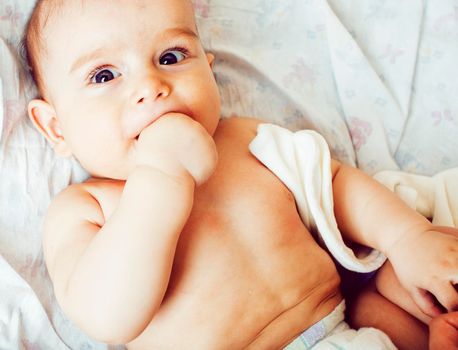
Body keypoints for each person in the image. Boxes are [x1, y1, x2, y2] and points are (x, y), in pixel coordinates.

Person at [23, 0, 458, 348]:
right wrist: (159, 180)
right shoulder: (84, 209)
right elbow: (107, 317)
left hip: (345, 325)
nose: (150, 86)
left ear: (209, 70)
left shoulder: (243, 139)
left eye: (171, 56)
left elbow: (333, 183)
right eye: (104, 75)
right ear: (55, 127)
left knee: (398, 279)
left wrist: (406, 238)